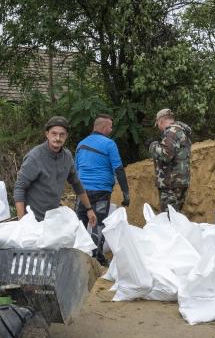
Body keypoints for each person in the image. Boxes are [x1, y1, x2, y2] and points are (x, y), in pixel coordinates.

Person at [14, 116, 96, 227]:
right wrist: (22, 222)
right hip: (32, 221)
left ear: (66, 136)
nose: (58, 138)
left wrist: (89, 209)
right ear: (47, 134)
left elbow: (77, 183)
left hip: (53, 219)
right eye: (54, 133)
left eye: (62, 134)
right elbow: (20, 188)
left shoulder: (67, 157)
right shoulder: (35, 157)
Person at [75, 113, 130, 264]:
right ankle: (96, 259)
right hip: (101, 192)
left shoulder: (81, 144)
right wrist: (126, 193)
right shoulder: (109, 144)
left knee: (79, 223)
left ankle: (78, 256)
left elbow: (75, 170)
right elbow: (118, 169)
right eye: (110, 127)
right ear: (104, 127)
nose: (111, 130)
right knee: (98, 223)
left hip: (82, 192)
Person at [147, 108, 192, 212]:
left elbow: (166, 155)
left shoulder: (171, 132)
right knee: (175, 216)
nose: (158, 127)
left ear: (161, 121)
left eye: (157, 123)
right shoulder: (180, 131)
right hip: (180, 181)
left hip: (171, 183)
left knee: (169, 219)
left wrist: (152, 146)